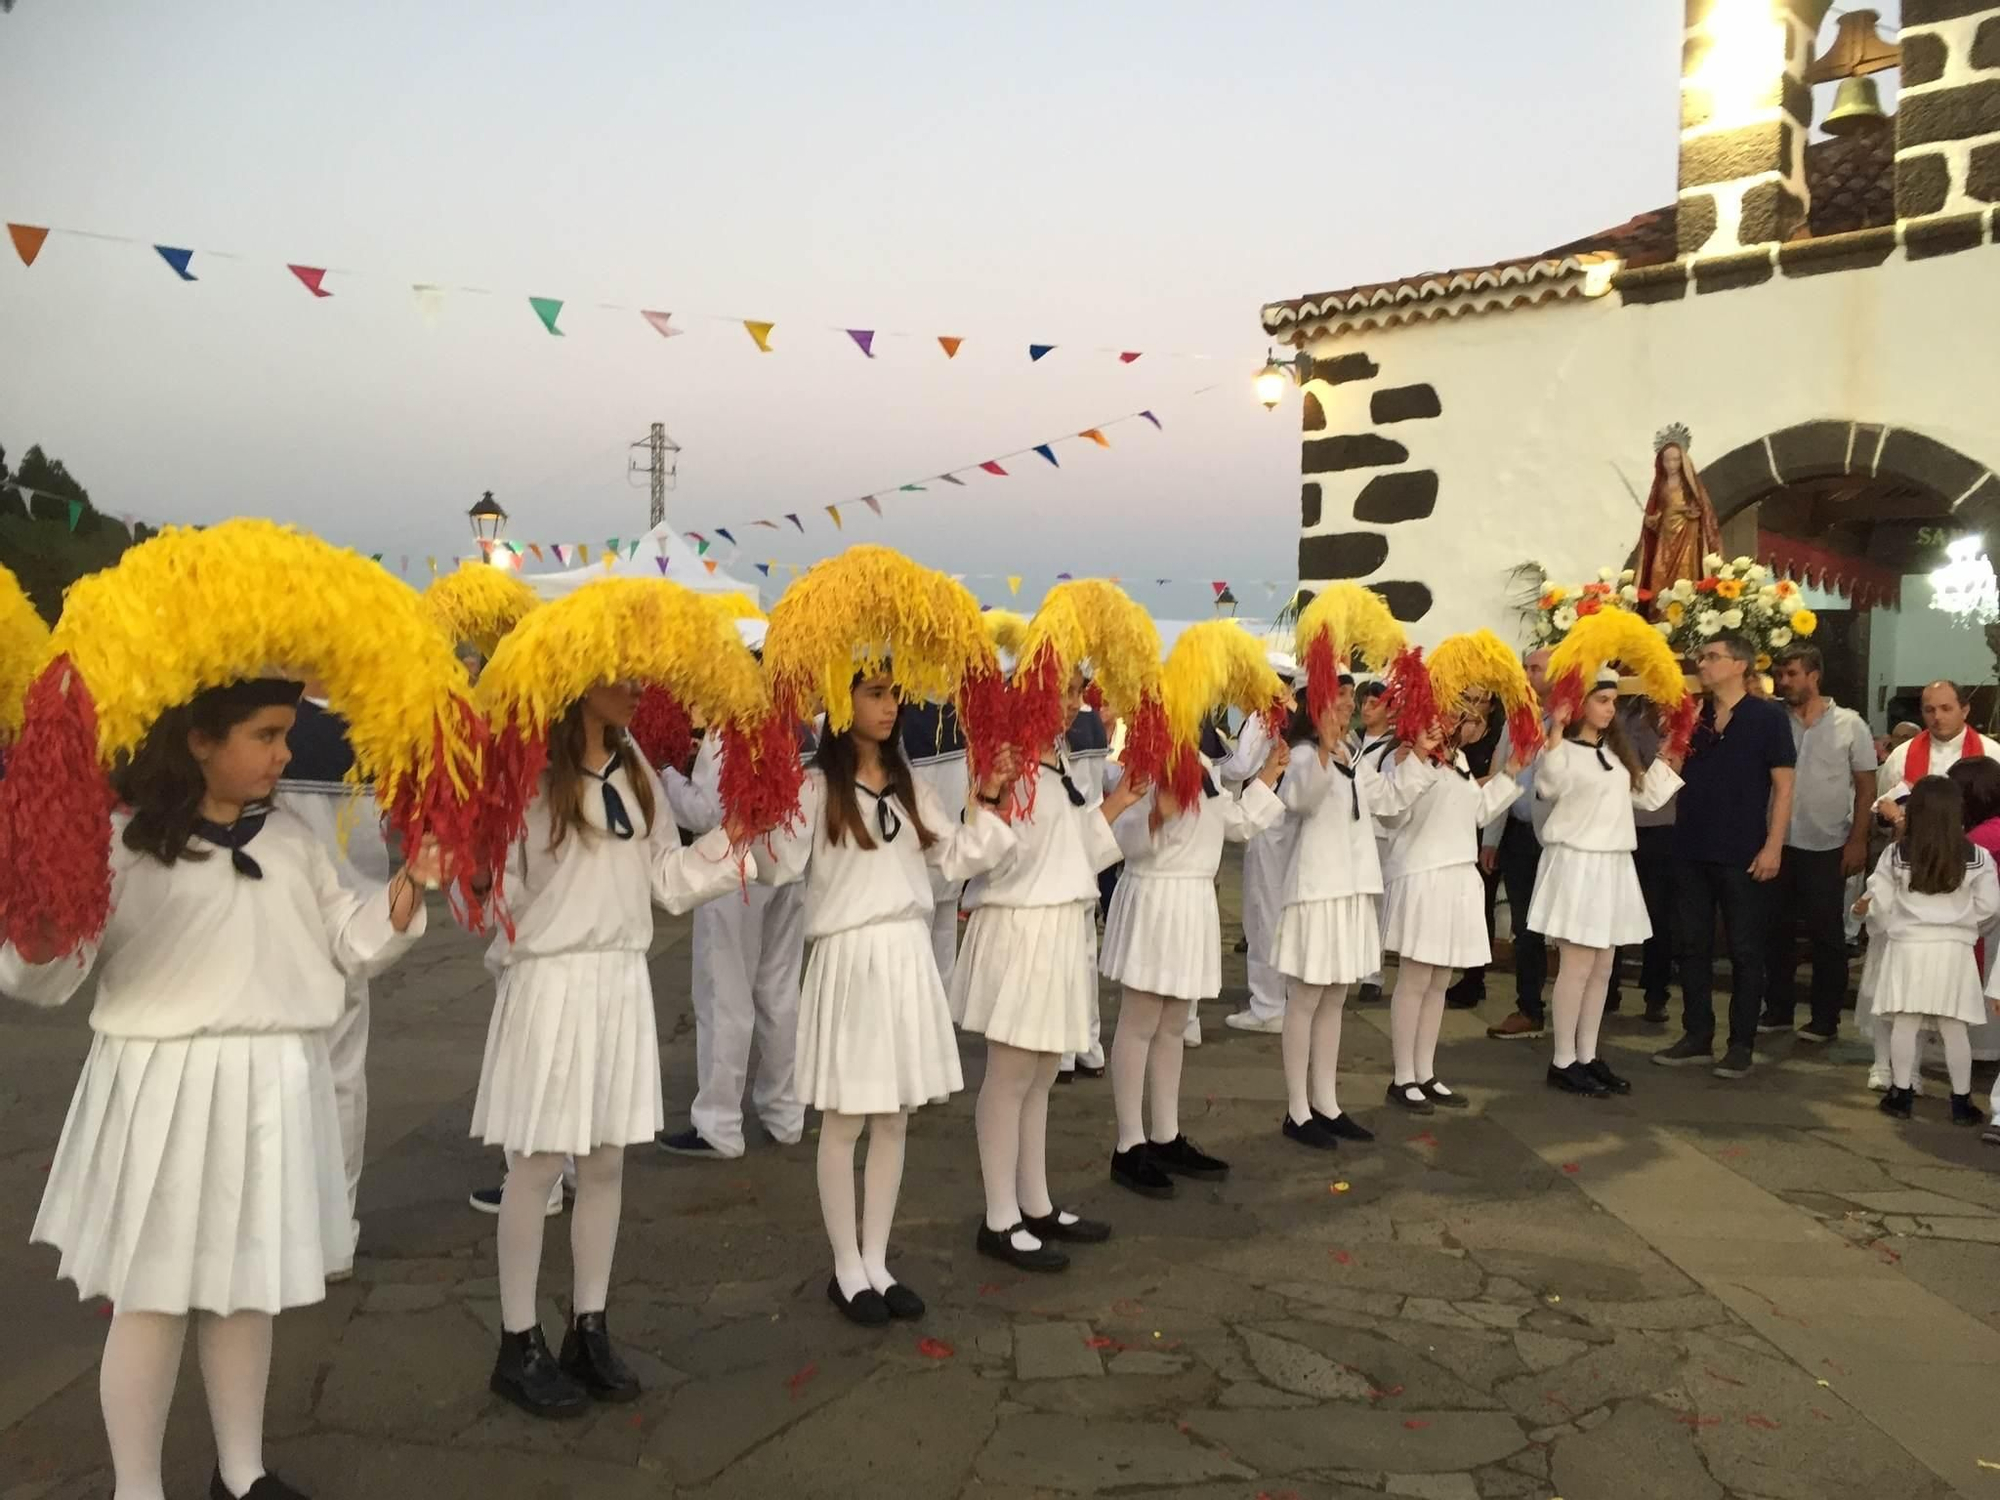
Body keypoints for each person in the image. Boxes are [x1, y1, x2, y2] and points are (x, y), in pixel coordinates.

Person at [2, 678, 440, 1500]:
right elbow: (54, 972)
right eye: (266, 735)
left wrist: (410, 881)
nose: (285, 753)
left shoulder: (294, 840)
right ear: (200, 739)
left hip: (268, 1090)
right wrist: (40, 929)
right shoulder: (123, 845)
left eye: (285, 734)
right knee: (153, 1297)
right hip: (163, 1091)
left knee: (247, 1288)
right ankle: (136, 1487)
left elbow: (349, 939)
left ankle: (241, 1472)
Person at [470, 679, 752, 1418]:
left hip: (621, 980)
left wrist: (735, 835)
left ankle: (587, 1327)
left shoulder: (637, 767)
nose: (635, 690)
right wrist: (478, 867)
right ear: (578, 678)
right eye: (619, 677)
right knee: (536, 1165)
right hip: (552, 979)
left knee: (604, 1163)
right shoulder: (530, 768)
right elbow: (498, 892)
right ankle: (517, 1340)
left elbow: (666, 879)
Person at [756, 670, 1020, 1322]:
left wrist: (988, 795)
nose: (889, 705)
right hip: (849, 959)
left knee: (895, 1117)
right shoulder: (815, 786)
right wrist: (762, 787)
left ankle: (876, 1260)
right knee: (845, 1119)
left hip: (905, 956)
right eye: (873, 692)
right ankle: (845, 1267)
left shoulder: (909, 785)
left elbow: (955, 856)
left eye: (892, 693)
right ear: (841, 699)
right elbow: (775, 863)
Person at [952, 668, 1141, 1269]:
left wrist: (1119, 801)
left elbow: (1072, 848)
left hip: (1056, 928)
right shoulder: (1006, 761)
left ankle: (1033, 1203)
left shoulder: (1055, 759)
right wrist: (991, 796)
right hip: (1021, 930)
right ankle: (999, 1218)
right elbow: (985, 854)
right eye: (1062, 690)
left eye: (1077, 691)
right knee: (1010, 1077)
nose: (1073, 703)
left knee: (1038, 1078)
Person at [1100, 720, 1284, 1194]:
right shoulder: (1145, 758)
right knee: (1140, 1021)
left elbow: (1231, 823)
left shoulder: (1201, 761)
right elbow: (1119, 835)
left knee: (1174, 1023)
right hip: (1157, 896)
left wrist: (1268, 775)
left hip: (1192, 899)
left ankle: (1165, 1135)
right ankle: (1129, 1144)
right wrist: (1154, 817)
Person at [655, 715, 810, 1159]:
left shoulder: (733, 726)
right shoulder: (798, 723)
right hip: (789, 867)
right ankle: (785, 1113)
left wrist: (665, 774)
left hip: (733, 871)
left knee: (725, 997)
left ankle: (719, 1124)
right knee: (781, 995)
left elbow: (706, 811)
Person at [277, 687, 393, 1271]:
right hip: (356, 916)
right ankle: (333, 1235)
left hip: (278, 925)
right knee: (341, 1079)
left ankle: (285, 1231)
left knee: (278, 1085)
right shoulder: (377, 723)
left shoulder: (260, 716)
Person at [1527, 671, 1682, 1096]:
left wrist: (1672, 749)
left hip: (1612, 864)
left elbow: (1644, 797)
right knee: (1577, 967)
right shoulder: (1561, 750)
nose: (1611, 708)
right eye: (1602, 700)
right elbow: (1549, 785)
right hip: (1578, 864)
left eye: (1613, 700)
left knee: (1602, 968)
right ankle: (1563, 1060)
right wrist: (1555, 729)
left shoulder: (1613, 752)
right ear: (1580, 704)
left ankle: (1588, 1054)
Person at [1653, 633, 1796, 1079]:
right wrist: (1670, 747)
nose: (1703, 664)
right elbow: (1672, 774)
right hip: (1691, 845)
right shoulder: (1694, 717)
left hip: (1742, 848)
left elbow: (1784, 787)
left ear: (1740, 665)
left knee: (1745, 949)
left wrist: (1773, 845)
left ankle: (1740, 1043)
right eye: (1701, 657)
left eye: (1712, 657)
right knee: (1691, 944)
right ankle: (1697, 1034)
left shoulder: (1767, 717)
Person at [1378, 696, 1529, 1112]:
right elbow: (1392, 813)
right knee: (1415, 979)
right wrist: (1418, 758)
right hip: (1423, 874)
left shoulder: (1457, 758)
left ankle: (1425, 1071)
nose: (1453, 719)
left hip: (1456, 875)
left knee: (1439, 980)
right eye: (1445, 710)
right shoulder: (1404, 755)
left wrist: (1512, 770)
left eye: (1457, 712)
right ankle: (1402, 1076)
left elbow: (1477, 811)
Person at [1274, 685, 1393, 1146]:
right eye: (1339, 697)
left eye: (1349, 697)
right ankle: (1297, 1109)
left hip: (1349, 887)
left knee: (1334, 999)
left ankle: (1326, 1102)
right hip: (1317, 890)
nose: (1348, 704)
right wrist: (1323, 749)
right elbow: (1301, 800)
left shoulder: (1351, 752)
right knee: (1305, 998)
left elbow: (1386, 803)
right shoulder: (1304, 754)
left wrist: (1421, 759)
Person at [1856, 776, 1999, 1126]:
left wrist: (1878, 919)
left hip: (1908, 948)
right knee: (1954, 1029)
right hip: (1955, 952)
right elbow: (1989, 906)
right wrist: (1964, 925)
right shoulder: (1977, 856)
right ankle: (1961, 1101)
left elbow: (1881, 902)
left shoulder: (1897, 854)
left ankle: (1901, 1094)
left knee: (1905, 1024)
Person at [1761, 646, 1874, 1043]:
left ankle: (1825, 1018)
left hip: (1826, 844)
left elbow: (1866, 787)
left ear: (1814, 675)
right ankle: (1778, 1009)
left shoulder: (1850, 725)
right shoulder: (1774, 720)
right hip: (1778, 842)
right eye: (1780, 674)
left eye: (1792, 674)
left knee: (1826, 934)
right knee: (1775, 931)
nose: (1784, 682)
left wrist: (1858, 840)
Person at [1218, 682, 1302, 1036]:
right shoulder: (1300, 715)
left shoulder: (1263, 716)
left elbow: (1239, 767)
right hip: (1289, 819)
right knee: (1281, 910)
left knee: (1262, 913)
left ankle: (1268, 1005)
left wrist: (1216, 748)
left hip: (1267, 818)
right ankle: (1282, 999)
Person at [1481, 647, 1554, 1040]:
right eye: (1525, 668)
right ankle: (1529, 1007)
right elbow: (1500, 774)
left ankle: (1589, 1004)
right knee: (1526, 926)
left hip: (1556, 836)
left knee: (1567, 924)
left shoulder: (1574, 719)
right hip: (1519, 832)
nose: (1528, 675)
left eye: (1536, 668)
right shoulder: (1516, 719)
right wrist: (1491, 837)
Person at [1058, 698, 1115, 1080]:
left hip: (1068, 851)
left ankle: (1067, 1051)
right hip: (1087, 849)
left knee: (1066, 956)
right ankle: (1088, 1046)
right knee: (1084, 955)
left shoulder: (1067, 728)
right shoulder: (1092, 720)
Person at [1877, 682, 1987, 821]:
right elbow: (1884, 807)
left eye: (1946, 708)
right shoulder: (1901, 755)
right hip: (1914, 834)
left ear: (1964, 711)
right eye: (1929, 710)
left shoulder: (1991, 752)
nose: (1937, 716)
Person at [1351, 680, 1398, 1004]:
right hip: (1351, 829)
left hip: (1379, 831)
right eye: (1364, 703)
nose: (1366, 709)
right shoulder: (1350, 740)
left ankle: (1373, 974)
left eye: (1374, 704)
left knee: (1376, 905)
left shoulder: (1394, 746)